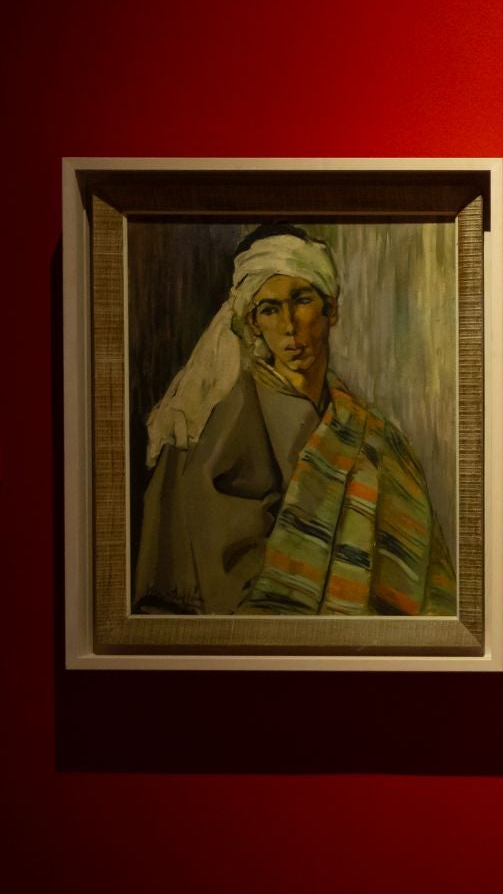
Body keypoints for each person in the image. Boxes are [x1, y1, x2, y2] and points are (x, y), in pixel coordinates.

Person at [133, 222, 456, 616]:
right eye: (269, 309)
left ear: (330, 309)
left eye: (301, 300)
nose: (289, 325)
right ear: (252, 323)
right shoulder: (221, 423)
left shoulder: (375, 437)